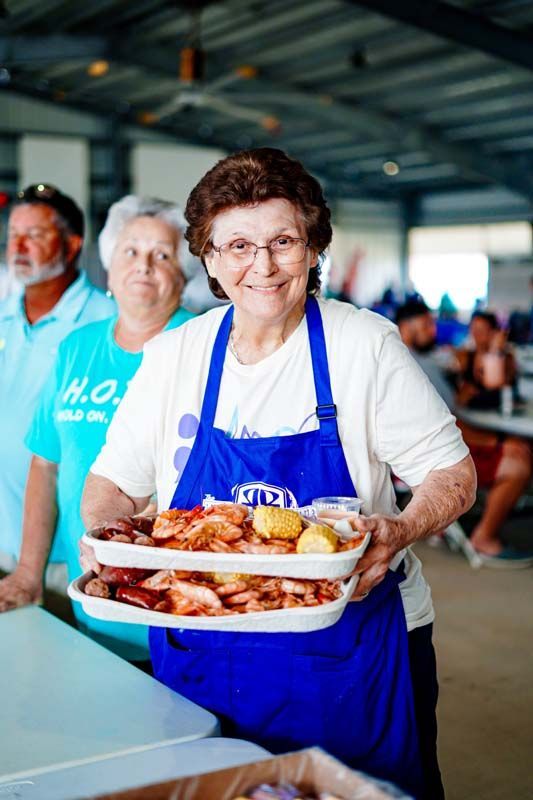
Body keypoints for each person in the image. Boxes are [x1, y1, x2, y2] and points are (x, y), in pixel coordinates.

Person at [81, 148, 476, 799]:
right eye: (236, 245)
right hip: (201, 640)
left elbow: (451, 474)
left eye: (282, 241)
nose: (260, 266)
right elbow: (113, 487)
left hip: (349, 647)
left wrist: (398, 529)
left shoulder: (361, 344)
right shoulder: (175, 355)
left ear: (314, 246)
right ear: (207, 259)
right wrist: (113, 550)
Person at [0, 195, 196, 661]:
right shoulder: (77, 348)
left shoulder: (202, 346)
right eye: (130, 251)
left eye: (162, 255)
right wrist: (29, 573)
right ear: (109, 266)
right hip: (89, 599)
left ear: (184, 273)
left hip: (176, 613)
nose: (143, 266)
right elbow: (45, 465)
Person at [0, 184, 114, 585]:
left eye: (35, 235)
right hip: (6, 543)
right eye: (14, 234)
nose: (19, 246)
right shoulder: (4, 318)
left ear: (71, 244)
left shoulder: (108, 322)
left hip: (69, 558)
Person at [397, 301, 533, 567]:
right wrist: (500, 442)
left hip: (439, 447)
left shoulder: (417, 359)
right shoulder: (411, 365)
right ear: (407, 327)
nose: (434, 331)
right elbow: (448, 423)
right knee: (519, 461)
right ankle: (484, 537)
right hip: (436, 457)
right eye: (426, 325)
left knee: (518, 447)